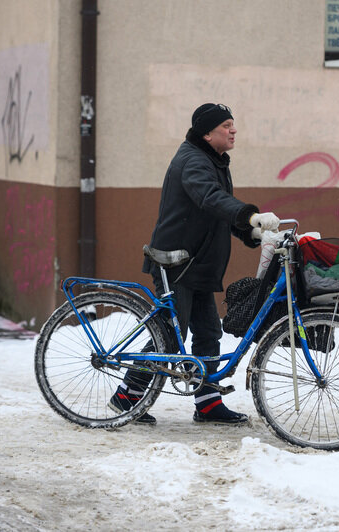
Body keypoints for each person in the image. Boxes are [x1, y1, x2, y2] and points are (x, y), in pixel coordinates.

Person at [109, 103, 280, 425]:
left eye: (233, 125)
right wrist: (250, 214)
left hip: (199, 263)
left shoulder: (212, 160)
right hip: (177, 263)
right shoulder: (192, 160)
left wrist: (251, 233)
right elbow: (210, 198)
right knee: (171, 335)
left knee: (207, 333)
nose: (234, 130)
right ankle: (127, 395)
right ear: (207, 132)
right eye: (227, 125)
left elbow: (215, 211)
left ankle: (208, 403)